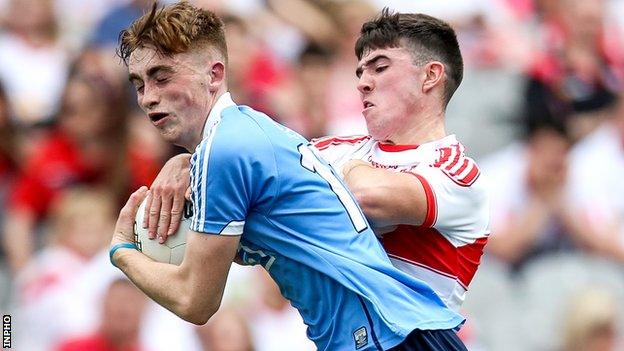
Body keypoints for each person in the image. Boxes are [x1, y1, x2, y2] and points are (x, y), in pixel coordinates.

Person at [109, 2, 466, 351]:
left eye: (162, 77)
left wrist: (124, 252)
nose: (148, 98)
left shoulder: (227, 149)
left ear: (215, 74)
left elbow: (196, 301)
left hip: (388, 336)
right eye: (139, 84)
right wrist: (185, 162)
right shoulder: (242, 135)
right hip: (393, 333)